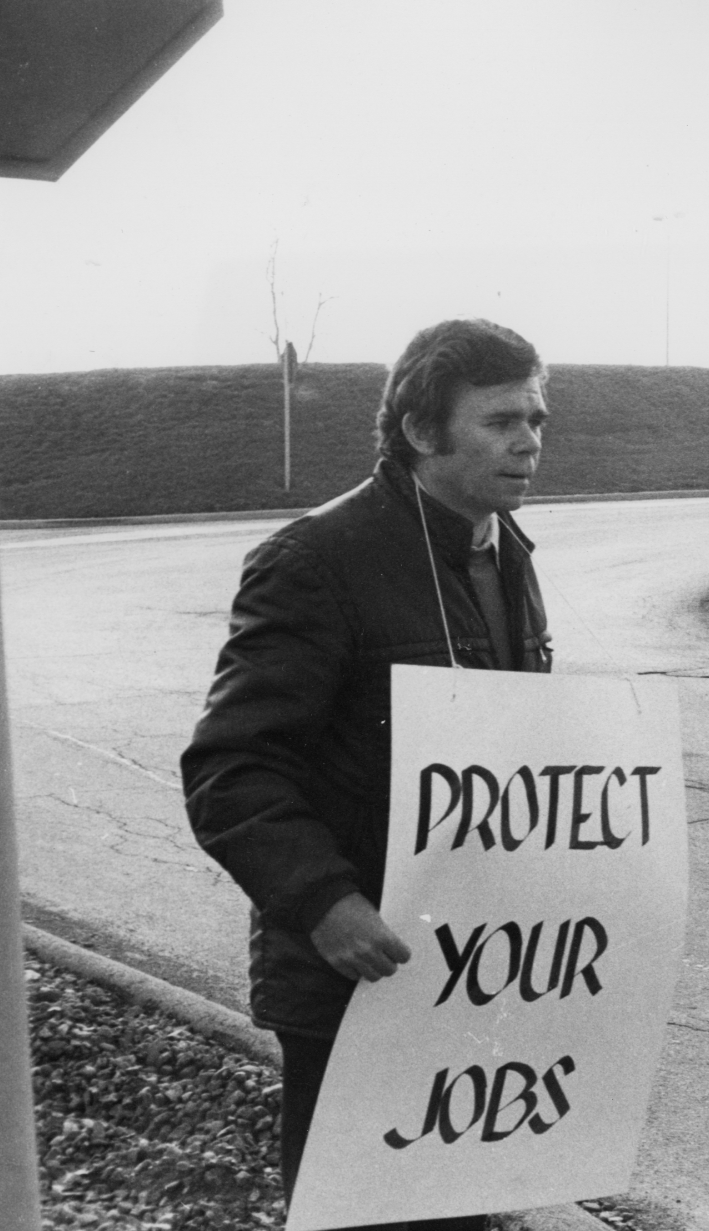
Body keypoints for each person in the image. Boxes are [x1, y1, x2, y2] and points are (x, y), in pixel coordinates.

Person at [182, 319, 553, 1230]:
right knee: (353, 1212)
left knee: (461, 1209)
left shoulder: (505, 550)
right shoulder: (316, 560)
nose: (530, 440)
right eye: (502, 420)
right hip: (354, 968)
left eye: (538, 418)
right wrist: (323, 902)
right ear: (423, 431)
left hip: (469, 967)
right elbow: (231, 766)